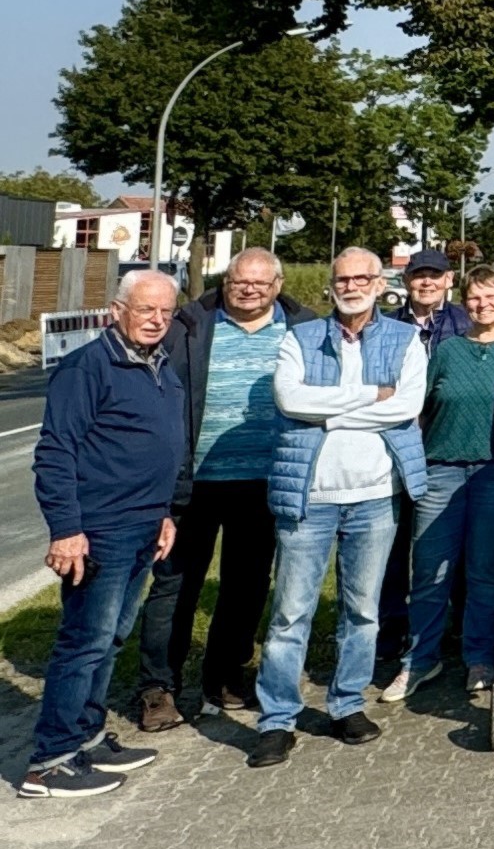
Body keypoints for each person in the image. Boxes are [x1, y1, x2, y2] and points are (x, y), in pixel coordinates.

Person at [250, 249, 429, 769]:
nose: (351, 286)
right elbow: (289, 400)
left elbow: (408, 406)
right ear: (330, 286)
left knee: (363, 610)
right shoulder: (299, 337)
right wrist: (369, 396)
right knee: (289, 613)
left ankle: (346, 704)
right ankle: (277, 719)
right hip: (310, 495)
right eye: (341, 279)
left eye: (361, 278)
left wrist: (327, 409)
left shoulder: (406, 339)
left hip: (374, 495)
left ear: (379, 283)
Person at [132, 248, 313, 730]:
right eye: (239, 281)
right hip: (192, 482)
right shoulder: (188, 324)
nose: (248, 289)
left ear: (277, 285)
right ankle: (158, 687)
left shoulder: (304, 327)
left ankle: (225, 675)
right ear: (224, 281)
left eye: (259, 282)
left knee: (247, 585)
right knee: (173, 585)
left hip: (264, 480)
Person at [19, 271, 184, 798]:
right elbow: (55, 451)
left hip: (142, 525)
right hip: (101, 530)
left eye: (165, 311)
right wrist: (66, 530)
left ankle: (86, 735)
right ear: (117, 311)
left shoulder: (161, 367)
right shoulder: (88, 367)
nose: (157, 320)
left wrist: (163, 513)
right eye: (145, 310)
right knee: (84, 642)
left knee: (110, 639)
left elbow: (157, 448)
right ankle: (51, 762)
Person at [385, 264, 494, 703]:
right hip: (440, 469)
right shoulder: (446, 351)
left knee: (483, 571)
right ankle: (420, 657)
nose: (482, 305)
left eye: (490, 296)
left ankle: (478, 656)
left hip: (493, 473)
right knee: (429, 568)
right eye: (473, 298)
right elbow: (416, 407)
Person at [392, 247, 470, 347]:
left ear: (449, 279)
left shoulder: (468, 323)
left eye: (435, 276)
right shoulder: (386, 326)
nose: (427, 282)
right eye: (419, 276)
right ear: (406, 281)